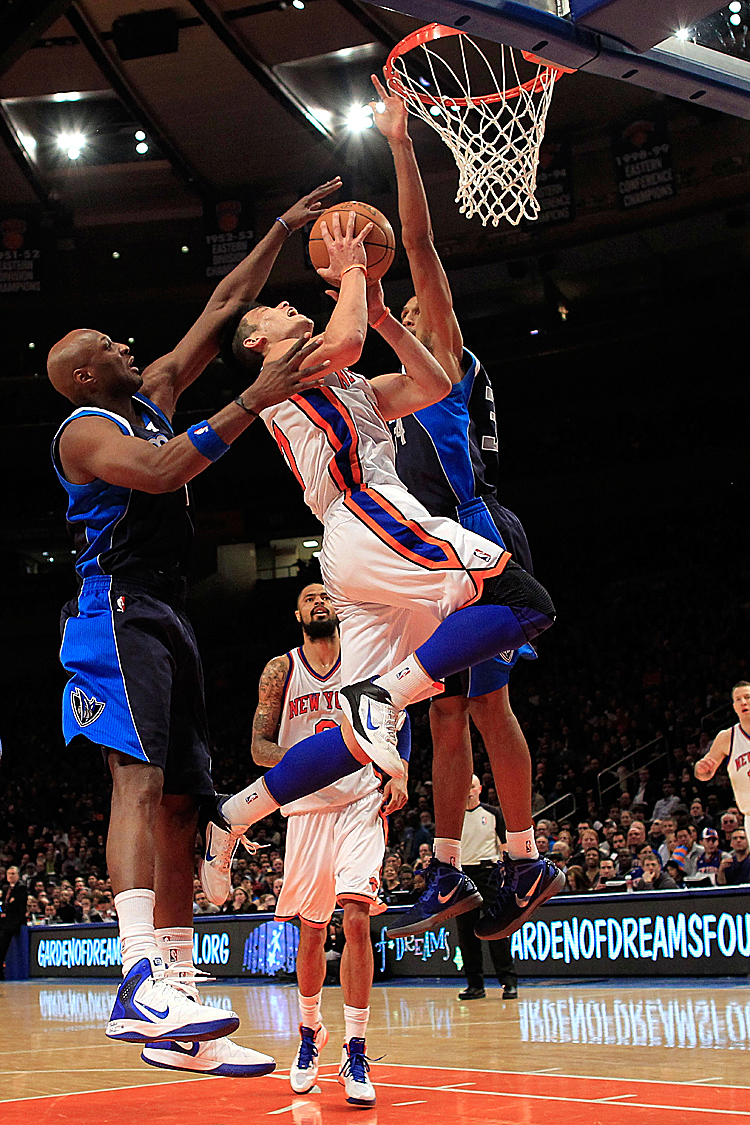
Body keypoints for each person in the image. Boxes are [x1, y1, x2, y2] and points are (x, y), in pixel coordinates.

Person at [202, 206, 558, 944]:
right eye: (280, 306)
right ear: (259, 340)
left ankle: (230, 816)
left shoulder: (346, 383)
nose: (293, 303)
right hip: (367, 516)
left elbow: (432, 382)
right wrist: (355, 269)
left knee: (364, 734)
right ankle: (383, 696)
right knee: (525, 597)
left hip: (361, 549)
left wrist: (387, 315)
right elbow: (350, 337)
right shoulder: (281, 372)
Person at [47, 180, 342, 1073]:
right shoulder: (85, 430)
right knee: (136, 782)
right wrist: (255, 397)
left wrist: (282, 229)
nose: (132, 345)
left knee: (182, 802)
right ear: (88, 373)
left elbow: (220, 310)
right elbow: (168, 466)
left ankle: (175, 991)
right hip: (116, 605)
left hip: (167, 609)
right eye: (112, 344)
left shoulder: (150, 388)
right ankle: (135, 976)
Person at [366, 71, 562, 944]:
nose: (411, 311)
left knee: (484, 709)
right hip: (432, 548)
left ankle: (521, 852)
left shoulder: (442, 352)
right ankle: (449, 866)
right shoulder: (394, 391)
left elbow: (416, 240)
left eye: (417, 306)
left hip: (476, 531)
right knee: (448, 712)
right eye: (401, 312)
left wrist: (402, 144)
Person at [251, 583, 405, 1108]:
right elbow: (258, 746)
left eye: (325, 595)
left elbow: (395, 713)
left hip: (361, 802)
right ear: (297, 613)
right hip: (308, 812)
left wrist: (399, 770)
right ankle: (309, 1033)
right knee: (312, 932)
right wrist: (307, 762)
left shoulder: (366, 658)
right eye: (309, 597)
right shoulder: (281, 669)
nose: (319, 601)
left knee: (358, 916)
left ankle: (356, 1047)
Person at [455, 776, 517, 1001]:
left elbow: (505, 845)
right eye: (465, 787)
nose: (469, 791)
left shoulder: (493, 813)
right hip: (462, 876)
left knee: (496, 929)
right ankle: (475, 985)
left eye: (471, 786)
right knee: (466, 934)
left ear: (479, 789)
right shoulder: (454, 817)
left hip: (489, 873)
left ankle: (508, 982)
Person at [694, 682, 750, 838]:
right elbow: (705, 774)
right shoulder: (727, 737)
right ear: (734, 706)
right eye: (738, 699)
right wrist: (700, 768)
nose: (743, 702)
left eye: (747, 697)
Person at [0, 867, 28, 979]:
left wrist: (6, 908)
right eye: (9, 874)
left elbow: (16, 905)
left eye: (13, 874)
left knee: (3, 941)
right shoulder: (6, 888)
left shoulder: (21, 888)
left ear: (18, 875)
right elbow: (3, 904)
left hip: (15, 921)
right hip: (5, 920)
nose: (11, 876)